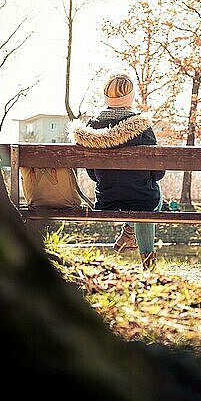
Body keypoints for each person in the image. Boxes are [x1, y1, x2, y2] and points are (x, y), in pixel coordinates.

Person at [68, 74, 165, 271]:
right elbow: (158, 172)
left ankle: (129, 232)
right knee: (149, 201)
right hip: (143, 197)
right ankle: (148, 263)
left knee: (143, 201)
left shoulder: (91, 128)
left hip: (107, 199)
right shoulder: (142, 127)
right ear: (131, 96)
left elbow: (93, 174)